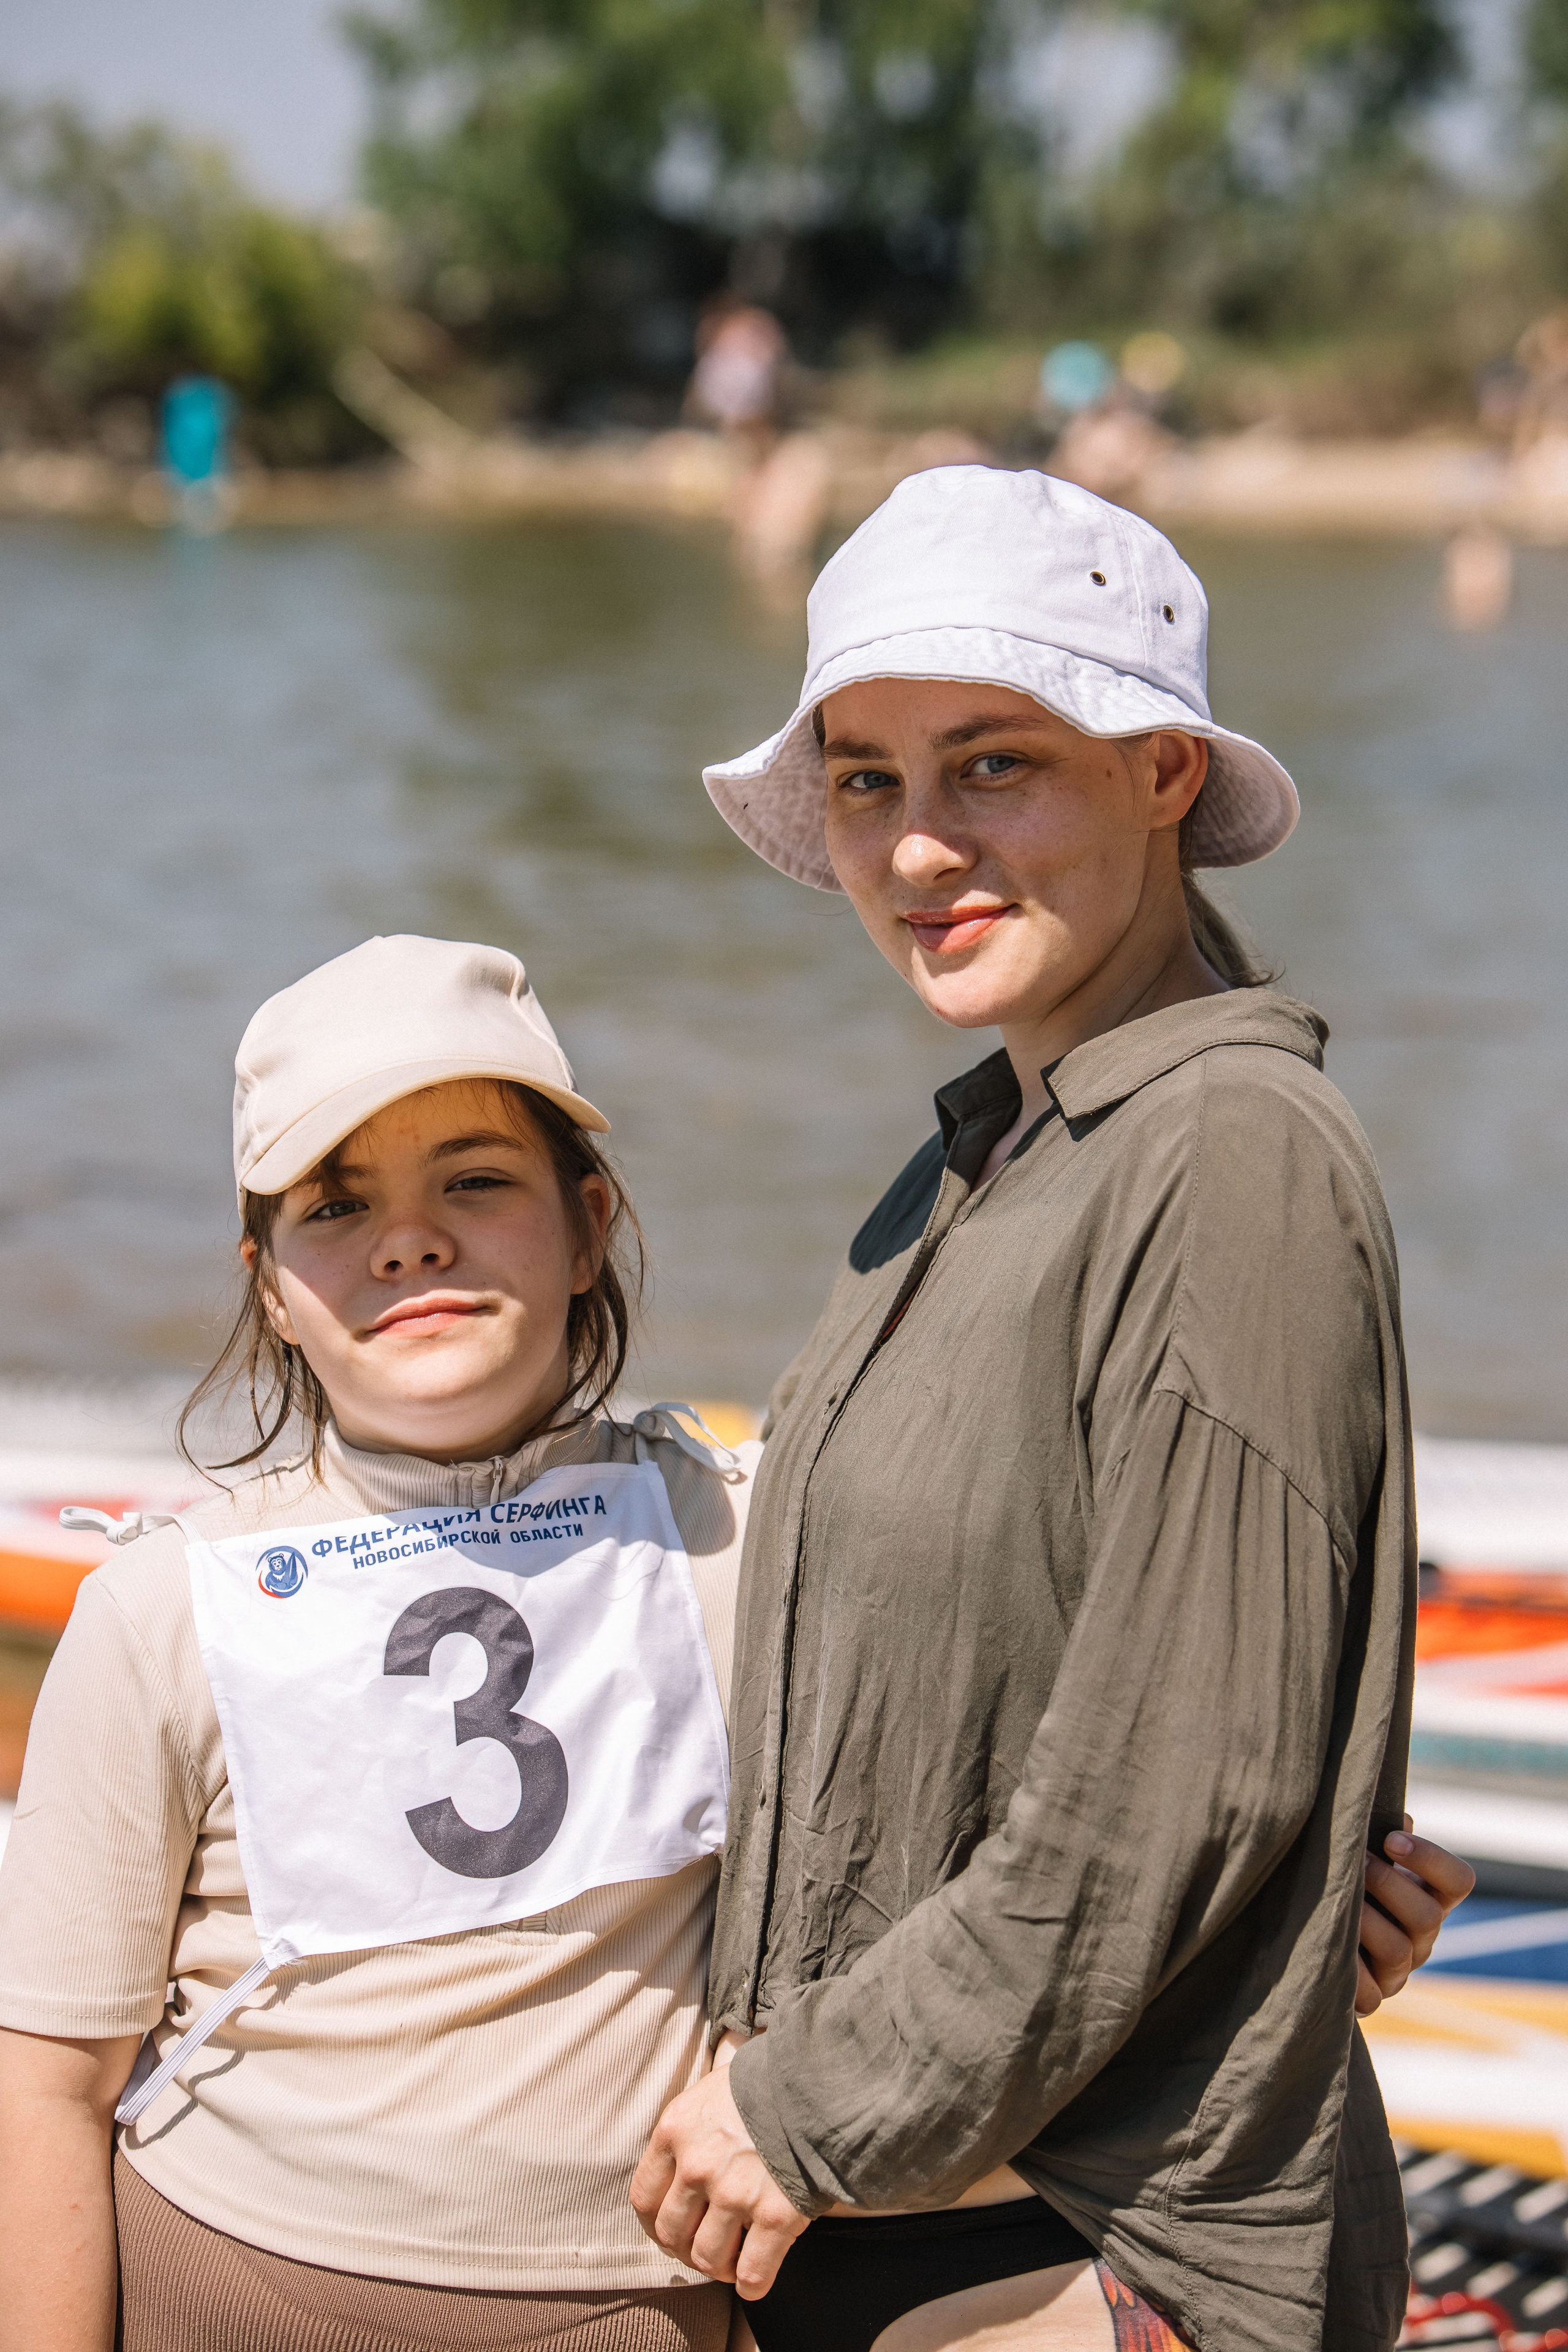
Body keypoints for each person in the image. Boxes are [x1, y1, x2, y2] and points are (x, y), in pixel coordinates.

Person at [632, 467, 1472, 2352]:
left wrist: (808, 2108)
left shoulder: (1230, 1148)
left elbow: (1183, 1784)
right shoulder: (980, 1158)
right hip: (899, 2217)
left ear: (1163, 772)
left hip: (1075, 2262)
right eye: (867, 780)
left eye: (992, 765)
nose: (918, 847)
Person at [0, 935, 752, 2352]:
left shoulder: (735, 1541)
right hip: (222, 2284)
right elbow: (46, 2082)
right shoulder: (161, 1610)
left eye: (476, 1181)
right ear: (269, 1289)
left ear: (588, 1224)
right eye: (337, 1206)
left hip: (630, 2308)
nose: (408, 1243)